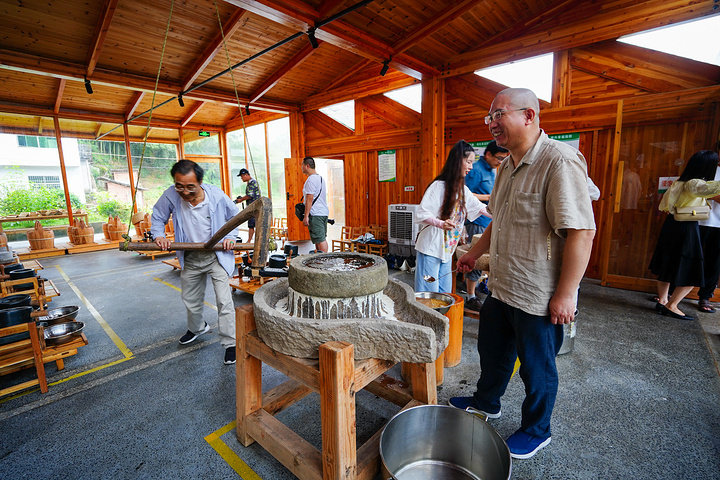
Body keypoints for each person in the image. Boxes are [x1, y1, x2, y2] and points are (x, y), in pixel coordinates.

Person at [449, 88, 596, 460]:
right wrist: (472, 257)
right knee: (493, 351)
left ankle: (537, 429)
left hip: (538, 292)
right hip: (502, 284)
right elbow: (497, 224)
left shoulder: (559, 162)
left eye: (499, 114)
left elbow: (581, 232)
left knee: (537, 367)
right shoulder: (507, 166)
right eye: (489, 116)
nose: (492, 123)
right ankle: (487, 402)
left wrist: (566, 294)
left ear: (529, 115)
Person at [151, 159, 239, 365]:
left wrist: (231, 237)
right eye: (179, 186)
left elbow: (235, 216)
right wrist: (159, 235)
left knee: (224, 301)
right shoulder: (171, 195)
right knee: (190, 298)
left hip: (216, 255)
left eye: (190, 186)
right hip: (190, 254)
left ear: (199, 182)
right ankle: (198, 328)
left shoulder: (216, 196)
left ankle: (230, 343)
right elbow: (157, 217)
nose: (185, 191)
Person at [648, 150, 720, 320]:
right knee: (693, 269)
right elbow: (711, 188)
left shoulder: (679, 182)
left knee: (667, 263)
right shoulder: (694, 183)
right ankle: (672, 305)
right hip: (686, 227)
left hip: (672, 224)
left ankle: (663, 300)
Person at [414, 140, 491, 294]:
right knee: (428, 294)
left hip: (447, 249)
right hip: (431, 248)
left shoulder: (463, 189)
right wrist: (440, 224)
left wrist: (500, 217)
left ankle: (441, 318)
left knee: (445, 293)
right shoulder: (438, 186)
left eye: (472, 162)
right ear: (457, 160)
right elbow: (421, 213)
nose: (471, 166)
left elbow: (480, 207)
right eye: (468, 162)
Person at [462, 140, 508, 310]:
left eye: (504, 159)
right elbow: (465, 194)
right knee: (477, 258)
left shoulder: (492, 170)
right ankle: (470, 296)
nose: (500, 162)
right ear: (488, 154)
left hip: (489, 220)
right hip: (477, 220)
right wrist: (489, 197)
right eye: (499, 158)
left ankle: (480, 288)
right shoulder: (476, 170)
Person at [697, 165, 720, 313]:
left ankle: (705, 296)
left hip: (719, 224)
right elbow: (694, 189)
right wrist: (712, 195)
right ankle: (671, 290)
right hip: (697, 218)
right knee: (687, 256)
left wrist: (708, 194)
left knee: (714, 261)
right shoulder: (708, 167)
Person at [301, 157, 329, 253]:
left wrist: (306, 216)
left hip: (316, 213)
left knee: (320, 239)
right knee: (318, 239)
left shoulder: (311, 180)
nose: (301, 167)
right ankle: (320, 263)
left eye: (302, 165)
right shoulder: (320, 178)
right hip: (323, 212)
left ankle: (324, 261)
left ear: (307, 166)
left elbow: (309, 199)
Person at [234, 168, 261, 242]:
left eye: (242, 177)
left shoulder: (252, 182)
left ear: (246, 175)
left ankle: (252, 241)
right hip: (252, 207)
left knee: (253, 225)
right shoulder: (250, 183)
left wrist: (241, 200)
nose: (241, 178)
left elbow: (250, 195)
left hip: (254, 207)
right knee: (251, 225)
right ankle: (250, 240)